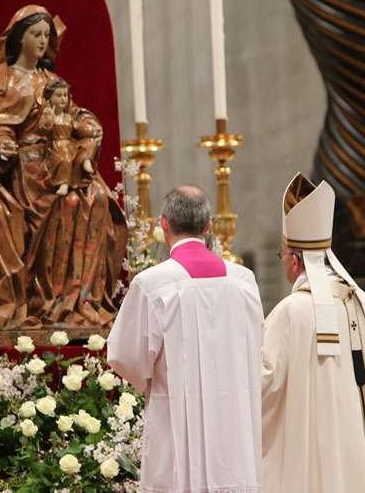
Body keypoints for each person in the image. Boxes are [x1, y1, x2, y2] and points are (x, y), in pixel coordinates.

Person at [0, 5, 125, 330]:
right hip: (29, 167)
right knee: (62, 205)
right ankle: (44, 301)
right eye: (36, 34)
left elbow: (72, 112)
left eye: (46, 35)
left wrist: (87, 124)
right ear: (19, 38)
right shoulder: (3, 80)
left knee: (95, 199)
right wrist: (2, 142)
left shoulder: (50, 80)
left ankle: (78, 302)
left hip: (58, 160)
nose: (42, 40)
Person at [107, 185, 263, 493]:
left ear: (163, 223)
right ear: (208, 226)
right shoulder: (243, 281)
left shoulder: (151, 284)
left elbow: (125, 357)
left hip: (176, 419)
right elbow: (257, 347)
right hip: (234, 423)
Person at [261, 173, 365, 493]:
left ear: (296, 261)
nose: (284, 265)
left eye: (282, 257)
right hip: (362, 451)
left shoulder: (293, 311)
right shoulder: (362, 302)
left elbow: (261, 384)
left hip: (320, 453)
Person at [40, 78, 96, 197]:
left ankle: (85, 161)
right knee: (65, 158)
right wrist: (48, 119)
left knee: (89, 142)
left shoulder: (68, 117)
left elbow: (76, 128)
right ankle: (63, 183)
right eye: (59, 95)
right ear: (49, 98)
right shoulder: (48, 115)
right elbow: (43, 130)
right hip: (56, 146)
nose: (63, 99)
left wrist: (88, 129)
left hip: (69, 145)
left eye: (65, 95)